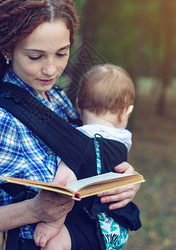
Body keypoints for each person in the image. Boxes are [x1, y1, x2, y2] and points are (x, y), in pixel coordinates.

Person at [0, 0, 141, 250]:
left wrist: (120, 181)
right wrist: (34, 210)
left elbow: (86, 155)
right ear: (8, 50)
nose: (51, 70)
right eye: (35, 56)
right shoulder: (0, 120)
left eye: (61, 53)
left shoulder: (56, 98)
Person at [34, 64, 137, 249]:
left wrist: (52, 224)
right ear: (125, 113)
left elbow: (64, 185)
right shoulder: (122, 140)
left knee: (54, 244)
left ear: (78, 105)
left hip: (84, 225)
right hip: (116, 228)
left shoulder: (77, 142)